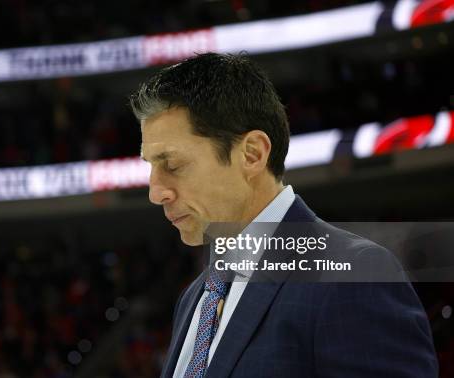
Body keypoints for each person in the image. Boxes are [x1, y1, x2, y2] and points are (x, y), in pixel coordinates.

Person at [130, 53, 438, 378]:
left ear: (252, 154)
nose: (156, 191)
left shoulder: (353, 275)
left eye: (173, 164)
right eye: (151, 167)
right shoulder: (195, 297)